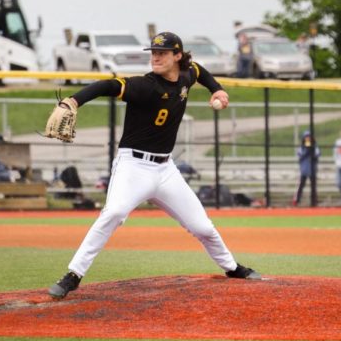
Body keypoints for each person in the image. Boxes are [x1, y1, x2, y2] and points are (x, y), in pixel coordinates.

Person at [45, 31, 261, 299]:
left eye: (162, 53)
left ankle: (231, 268)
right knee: (114, 213)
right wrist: (74, 100)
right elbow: (107, 86)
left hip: (166, 170)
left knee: (203, 227)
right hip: (133, 166)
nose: (156, 57)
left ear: (177, 56)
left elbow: (200, 71)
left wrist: (217, 88)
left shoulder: (186, 75)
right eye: (154, 53)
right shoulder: (145, 86)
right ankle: (73, 275)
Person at [292, 129, 320, 206]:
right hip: (304, 170)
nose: (307, 138)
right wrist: (306, 150)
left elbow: (317, 155)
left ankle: (314, 201)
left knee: (313, 187)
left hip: (312, 170)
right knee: (301, 186)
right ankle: (297, 200)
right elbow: (300, 155)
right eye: (306, 137)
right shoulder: (301, 148)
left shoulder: (315, 147)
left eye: (309, 137)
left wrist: (312, 150)